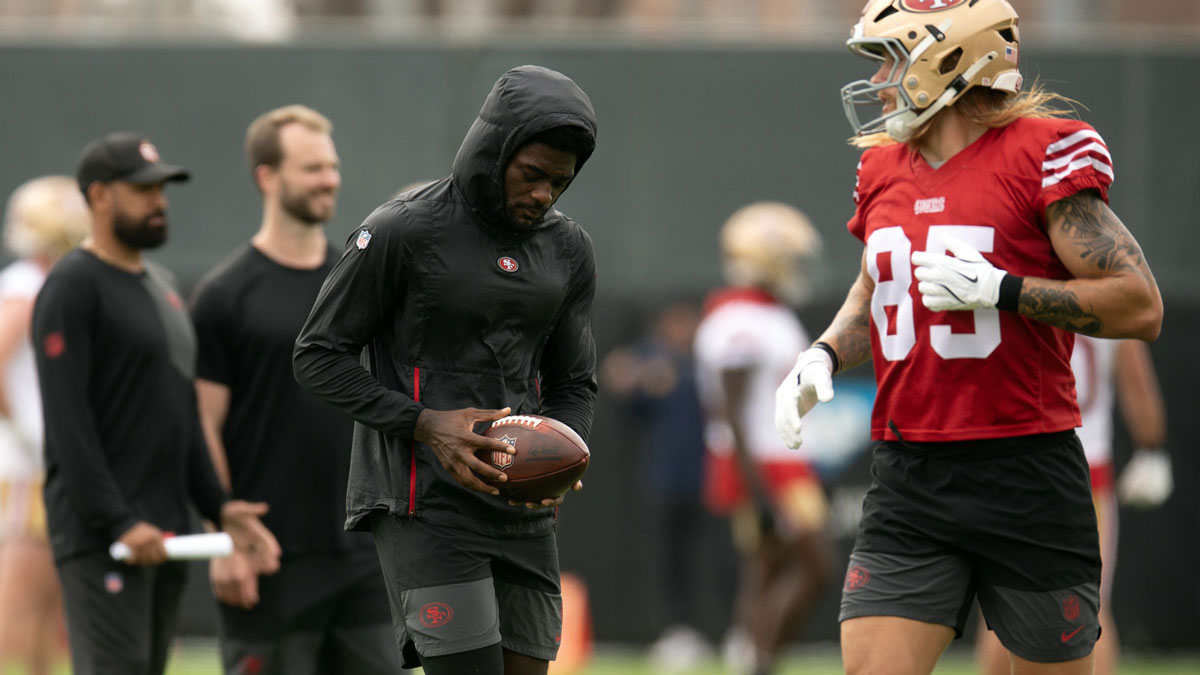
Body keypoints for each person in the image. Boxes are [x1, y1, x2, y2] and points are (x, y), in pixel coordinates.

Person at [774, 1, 1163, 674]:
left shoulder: (1042, 152)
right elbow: (877, 286)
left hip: (1027, 468)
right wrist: (826, 350)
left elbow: (1139, 304)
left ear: (948, 61)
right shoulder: (883, 168)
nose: (879, 83)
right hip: (908, 472)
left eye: (892, 60)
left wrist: (1000, 289)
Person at [294, 64, 598, 675]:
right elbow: (317, 355)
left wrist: (562, 456)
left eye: (559, 183)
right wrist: (426, 425)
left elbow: (574, 381)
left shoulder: (568, 249)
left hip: (523, 509)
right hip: (423, 505)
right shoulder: (401, 228)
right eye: (531, 175)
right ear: (492, 151)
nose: (543, 194)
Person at [31, 132, 282, 675]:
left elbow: (182, 414)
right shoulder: (72, 286)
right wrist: (117, 523)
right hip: (108, 542)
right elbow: (68, 424)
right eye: (143, 190)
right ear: (99, 196)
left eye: (162, 189)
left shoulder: (162, 287)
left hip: (165, 534)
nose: (159, 201)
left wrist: (220, 507)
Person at [190, 106, 401, 675]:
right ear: (268, 176)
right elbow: (201, 424)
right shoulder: (224, 295)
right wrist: (224, 537)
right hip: (267, 558)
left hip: (361, 557)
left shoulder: (355, 280)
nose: (329, 180)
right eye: (311, 168)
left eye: (331, 167)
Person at [976, 335, 1171, 675]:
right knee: (1089, 607)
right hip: (1082, 473)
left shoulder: (1013, 285)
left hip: (1012, 466)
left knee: (1002, 601)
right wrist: (1151, 448)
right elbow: (1137, 383)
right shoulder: (1108, 288)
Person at [695, 202, 830, 675]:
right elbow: (733, 409)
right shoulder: (741, 319)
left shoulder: (764, 313)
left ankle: (755, 654)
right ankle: (760, 659)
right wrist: (753, 485)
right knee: (814, 563)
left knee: (768, 567)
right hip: (762, 459)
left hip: (772, 455)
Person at [0, 175, 88, 675]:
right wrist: (26, 429)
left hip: (48, 463)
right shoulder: (26, 287)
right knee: (20, 602)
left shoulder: (47, 283)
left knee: (53, 607)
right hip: (30, 468)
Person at [600, 299, 713, 672]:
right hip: (666, 477)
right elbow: (623, 388)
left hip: (708, 476)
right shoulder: (652, 359)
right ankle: (675, 633)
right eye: (676, 324)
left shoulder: (707, 359)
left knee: (709, 556)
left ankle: (713, 629)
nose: (683, 330)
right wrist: (631, 378)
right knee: (669, 559)